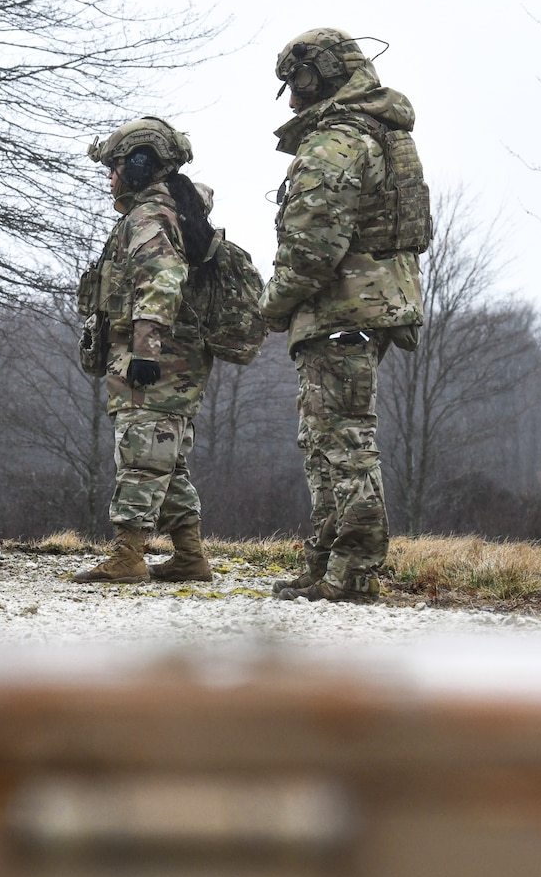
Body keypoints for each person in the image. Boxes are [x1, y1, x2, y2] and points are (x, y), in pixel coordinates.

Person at [259, 29, 428, 603]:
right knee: (323, 436)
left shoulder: (337, 141)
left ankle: (352, 569)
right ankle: (329, 560)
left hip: (342, 307)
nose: (291, 100)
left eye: (297, 83)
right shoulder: (368, 131)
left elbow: (311, 249)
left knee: (343, 441)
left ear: (323, 75)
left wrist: (270, 307)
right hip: (357, 306)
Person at [73, 117, 217, 584]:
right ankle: (190, 557)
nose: (110, 177)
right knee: (166, 461)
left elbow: (162, 279)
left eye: (115, 167)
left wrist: (144, 350)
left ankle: (127, 557)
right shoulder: (171, 211)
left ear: (138, 166)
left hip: (155, 361)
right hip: (171, 360)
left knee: (140, 455)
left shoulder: (149, 217)